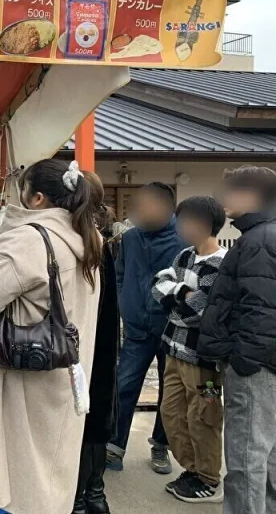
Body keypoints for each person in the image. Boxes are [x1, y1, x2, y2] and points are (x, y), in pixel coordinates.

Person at [0, 159, 102, 514]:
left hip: (25, 376)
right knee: (52, 475)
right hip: (64, 373)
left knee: (26, 480)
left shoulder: (29, 240)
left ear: (36, 198)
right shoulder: (86, 238)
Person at [197, 166, 276, 514]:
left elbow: (263, 308)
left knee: (246, 457)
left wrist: (243, 359)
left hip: (255, 367)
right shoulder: (263, 235)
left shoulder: (259, 239)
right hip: (265, 363)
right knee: (267, 456)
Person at [107, 182, 187, 474]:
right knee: (124, 384)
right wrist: (123, 303)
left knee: (170, 392)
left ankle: (160, 446)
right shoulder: (129, 239)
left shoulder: (184, 239)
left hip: (172, 329)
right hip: (136, 328)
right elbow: (120, 274)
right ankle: (114, 447)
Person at [152, 196, 227, 504]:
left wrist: (175, 294)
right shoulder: (184, 256)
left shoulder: (221, 264)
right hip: (172, 348)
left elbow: (199, 313)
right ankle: (192, 470)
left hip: (201, 358)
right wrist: (180, 293)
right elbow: (158, 287)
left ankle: (209, 479)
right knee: (171, 414)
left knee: (203, 417)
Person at [72, 171, 120, 514]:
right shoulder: (100, 239)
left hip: (75, 346)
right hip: (102, 344)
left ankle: (78, 498)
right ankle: (94, 494)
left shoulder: (71, 240)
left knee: (77, 418)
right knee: (96, 412)